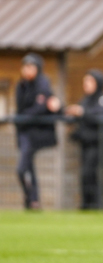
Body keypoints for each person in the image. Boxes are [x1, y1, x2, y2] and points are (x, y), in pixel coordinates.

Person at [15, 53, 60, 210]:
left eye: (30, 66)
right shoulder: (21, 86)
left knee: (22, 168)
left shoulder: (43, 84)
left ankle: (32, 199)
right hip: (24, 133)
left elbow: (43, 107)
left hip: (37, 134)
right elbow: (20, 110)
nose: (27, 70)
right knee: (27, 168)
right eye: (25, 66)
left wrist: (25, 116)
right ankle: (33, 201)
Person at [65, 70, 103, 209]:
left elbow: (98, 116)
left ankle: (96, 205)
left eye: (89, 81)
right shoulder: (85, 100)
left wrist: (81, 112)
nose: (86, 84)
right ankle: (86, 205)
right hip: (85, 143)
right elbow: (80, 116)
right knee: (85, 174)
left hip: (98, 143)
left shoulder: (102, 99)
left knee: (92, 174)